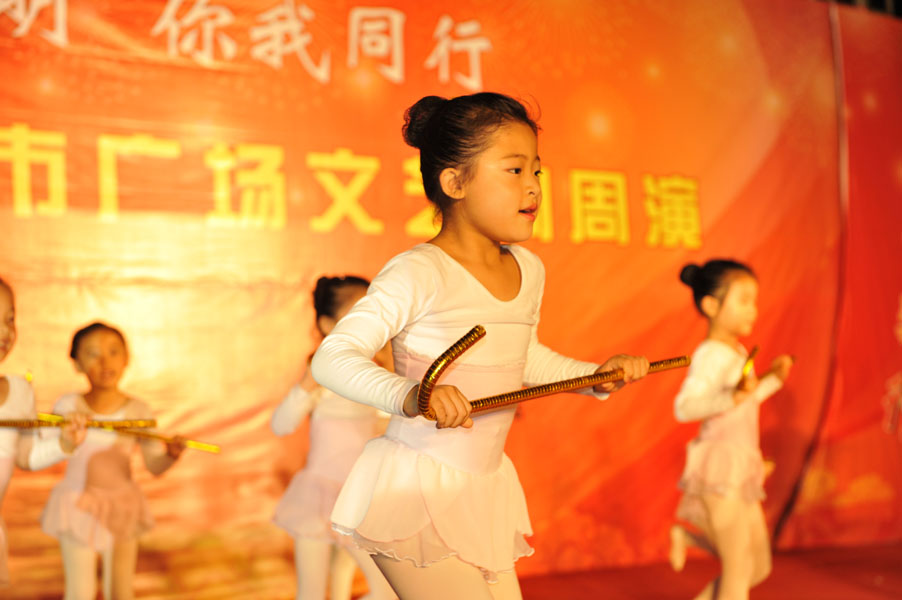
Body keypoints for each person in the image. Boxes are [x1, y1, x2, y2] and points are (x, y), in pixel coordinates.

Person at [311, 92, 649, 599]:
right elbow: (332, 358)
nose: (533, 187)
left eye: (537, 172)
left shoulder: (529, 269)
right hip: (416, 489)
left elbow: (522, 358)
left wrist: (594, 376)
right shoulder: (419, 271)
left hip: (483, 489)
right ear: (455, 183)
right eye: (514, 171)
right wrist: (412, 395)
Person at [669, 260, 793, 600]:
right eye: (744, 300)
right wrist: (731, 396)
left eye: (755, 301)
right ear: (711, 305)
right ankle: (686, 537)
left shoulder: (735, 351)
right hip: (721, 467)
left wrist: (773, 379)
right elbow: (684, 408)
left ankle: (687, 537)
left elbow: (742, 402)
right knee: (739, 568)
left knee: (757, 567)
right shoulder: (709, 355)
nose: (753, 310)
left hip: (741, 466)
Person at [40, 322, 186, 600]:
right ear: (77, 363)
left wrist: (171, 455)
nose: (105, 362)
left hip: (122, 506)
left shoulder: (139, 411)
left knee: (120, 592)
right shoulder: (68, 406)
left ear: (126, 358)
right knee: (79, 592)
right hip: (77, 503)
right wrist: (63, 433)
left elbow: (154, 466)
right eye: (93, 354)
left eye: (113, 352)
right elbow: (44, 448)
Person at [272, 275, 395, 600]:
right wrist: (307, 384)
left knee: (384, 589)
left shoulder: (377, 372)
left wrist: (391, 371)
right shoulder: (320, 375)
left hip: (360, 497)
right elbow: (281, 425)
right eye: (358, 314)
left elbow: (391, 428)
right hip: (319, 496)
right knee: (312, 593)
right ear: (328, 325)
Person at [0, 276, 84, 587]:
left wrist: (64, 443)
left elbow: (26, 456)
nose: (6, 331)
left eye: (10, 319)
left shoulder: (20, 392)